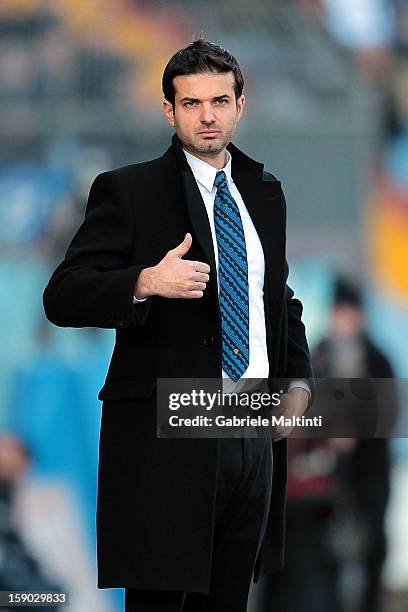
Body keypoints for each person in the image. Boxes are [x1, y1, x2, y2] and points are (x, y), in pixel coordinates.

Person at [43, 39, 313, 612]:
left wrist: (300, 382)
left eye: (219, 100)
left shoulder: (265, 192)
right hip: (170, 433)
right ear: (169, 111)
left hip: (252, 426)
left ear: (242, 104)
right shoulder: (130, 190)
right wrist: (143, 282)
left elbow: (279, 299)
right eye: (191, 103)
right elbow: (62, 295)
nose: (208, 115)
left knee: (229, 601)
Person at [313, 275, 398, 612]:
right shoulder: (319, 354)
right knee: (328, 552)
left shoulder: (377, 359)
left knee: (373, 545)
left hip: (371, 470)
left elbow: (388, 413)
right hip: (330, 473)